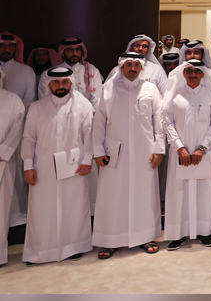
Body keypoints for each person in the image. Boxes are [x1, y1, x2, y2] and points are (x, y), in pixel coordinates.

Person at [91, 53, 164, 258]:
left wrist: (159, 149)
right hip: (114, 153)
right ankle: (109, 240)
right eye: (128, 65)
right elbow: (99, 123)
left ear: (142, 68)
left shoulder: (151, 89)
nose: (132, 68)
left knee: (144, 195)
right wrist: (97, 151)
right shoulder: (109, 89)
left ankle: (145, 237)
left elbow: (159, 121)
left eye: (136, 65)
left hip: (145, 153)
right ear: (122, 67)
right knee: (112, 197)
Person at [21, 67, 94, 264]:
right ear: (49, 84)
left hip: (74, 168)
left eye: (64, 82)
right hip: (42, 168)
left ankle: (75, 246)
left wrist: (87, 161)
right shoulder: (37, 108)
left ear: (71, 83)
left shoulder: (83, 105)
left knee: (74, 207)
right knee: (41, 209)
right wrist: (28, 165)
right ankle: (41, 251)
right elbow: (28, 138)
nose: (60, 86)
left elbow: (89, 136)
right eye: (56, 82)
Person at [161, 60, 211, 250]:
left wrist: (202, 147)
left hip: (203, 152)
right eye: (189, 71)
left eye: (197, 71)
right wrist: (180, 147)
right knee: (178, 192)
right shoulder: (174, 94)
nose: (193, 74)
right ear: (184, 73)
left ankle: (204, 232)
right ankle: (178, 234)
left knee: (204, 192)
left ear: (203, 74)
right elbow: (167, 121)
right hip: (181, 153)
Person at [0, 67, 25, 267]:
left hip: (3, 163)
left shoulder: (13, 99)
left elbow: (17, 129)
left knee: (1, 209)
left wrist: (3, 153)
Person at [42, 38, 103, 105]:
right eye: (70, 50)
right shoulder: (49, 73)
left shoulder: (92, 71)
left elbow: (97, 98)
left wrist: (88, 114)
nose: (75, 53)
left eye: (78, 49)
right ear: (62, 53)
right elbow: (44, 100)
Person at [105, 35, 169, 94]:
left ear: (148, 49)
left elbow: (165, 94)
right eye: (137, 45)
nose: (140, 49)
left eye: (144, 46)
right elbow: (106, 93)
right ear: (130, 48)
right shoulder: (117, 70)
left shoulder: (157, 70)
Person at [0, 32, 37, 107]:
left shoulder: (26, 71)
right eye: (2, 45)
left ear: (16, 48)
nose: (6, 49)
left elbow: (29, 101)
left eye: (11, 46)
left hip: (17, 117)